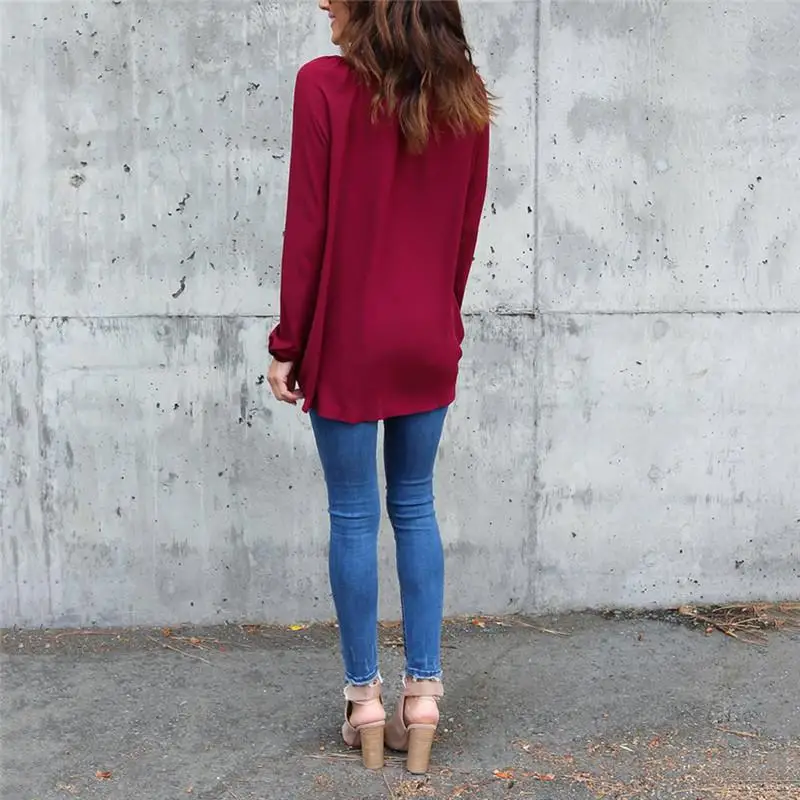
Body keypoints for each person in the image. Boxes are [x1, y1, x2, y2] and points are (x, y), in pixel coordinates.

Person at [267, 0, 493, 774]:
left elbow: (308, 229)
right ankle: (423, 696)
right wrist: (441, 318)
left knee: (354, 514)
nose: (322, 1)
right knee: (416, 504)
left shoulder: (322, 86)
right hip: (427, 330)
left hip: (348, 338)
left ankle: (364, 701)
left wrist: (289, 344)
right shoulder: (464, 93)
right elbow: (464, 231)